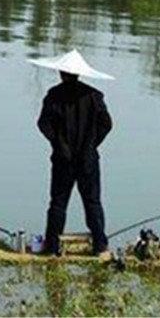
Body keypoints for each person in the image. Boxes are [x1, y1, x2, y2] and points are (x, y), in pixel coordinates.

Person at [30, 50, 114, 257]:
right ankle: (100, 246)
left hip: (62, 159)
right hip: (88, 160)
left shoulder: (54, 95)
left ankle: (52, 247)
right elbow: (107, 124)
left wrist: (58, 144)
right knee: (92, 202)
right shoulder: (94, 96)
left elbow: (43, 123)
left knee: (58, 203)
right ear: (79, 74)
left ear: (61, 73)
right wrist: (92, 145)